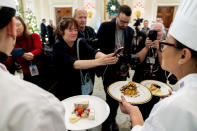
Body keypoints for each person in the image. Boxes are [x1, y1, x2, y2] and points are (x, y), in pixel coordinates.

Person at [120, 0, 197, 130]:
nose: (164, 47)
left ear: (183, 55)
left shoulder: (173, 106)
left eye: (166, 43)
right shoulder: (182, 97)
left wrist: (133, 112)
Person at [0, 0, 66, 131]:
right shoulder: (42, 105)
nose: (18, 28)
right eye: (16, 25)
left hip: (41, 70)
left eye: (20, 25)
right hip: (27, 74)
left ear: (23, 25)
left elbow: (39, 49)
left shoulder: (33, 36)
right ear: (11, 28)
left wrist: (32, 54)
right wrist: (9, 57)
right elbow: (8, 62)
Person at [50, 17, 118, 101]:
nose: (74, 33)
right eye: (70, 30)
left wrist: (106, 57)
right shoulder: (58, 46)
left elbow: (93, 52)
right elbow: (75, 64)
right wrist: (100, 61)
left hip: (78, 84)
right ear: (62, 31)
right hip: (64, 87)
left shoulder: (79, 42)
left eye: (75, 30)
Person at [97, 5, 134, 131]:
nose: (124, 25)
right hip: (108, 67)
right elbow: (98, 46)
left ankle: (112, 119)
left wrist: (128, 64)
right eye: (122, 21)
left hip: (122, 69)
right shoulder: (105, 27)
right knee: (109, 97)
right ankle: (107, 123)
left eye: (127, 22)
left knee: (118, 96)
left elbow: (129, 50)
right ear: (117, 16)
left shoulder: (130, 31)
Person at [133, 22, 167, 120]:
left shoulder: (166, 44)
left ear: (163, 32)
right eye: (153, 31)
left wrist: (159, 50)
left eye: (159, 31)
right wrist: (146, 48)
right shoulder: (143, 42)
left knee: (154, 110)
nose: (156, 33)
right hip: (141, 80)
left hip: (157, 83)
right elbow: (137, 60)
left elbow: (164, 66)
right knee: (139, 107)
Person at [74, 8, 97, 93]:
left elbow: (96, 46)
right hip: (78, 67)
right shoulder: (73, 33)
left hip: (91, 66)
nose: (83, 20)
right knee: (78, 93)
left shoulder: (90, 30)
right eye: (80, 17)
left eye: (85, 17)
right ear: (74, 18)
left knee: (89, 89)